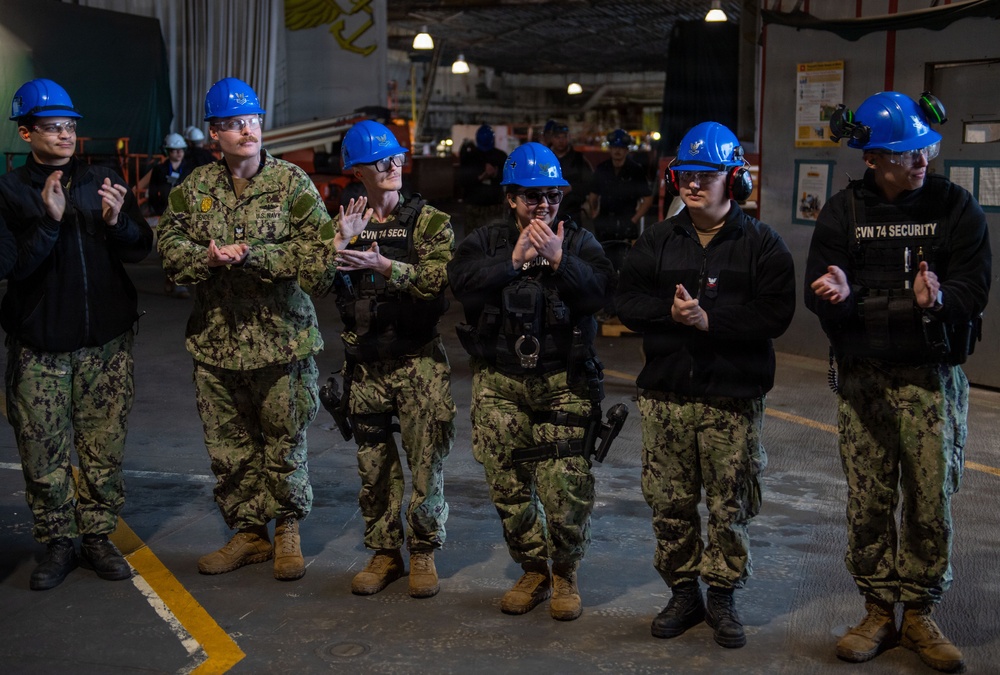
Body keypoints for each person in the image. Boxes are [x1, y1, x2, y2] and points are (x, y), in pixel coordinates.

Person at [806, 91, 990, 673]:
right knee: (869, 499)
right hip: (864, 381)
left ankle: (920, 614)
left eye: (924, 149)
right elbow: (822, 294)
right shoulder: (843, 213)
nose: (921, 161)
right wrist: (836, 297)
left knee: (930, 501)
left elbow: (973, 292)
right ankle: (878, 610)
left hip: (931, 381)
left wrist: (935, 301)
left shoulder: (957, 208)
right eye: (906, 154)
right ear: (872, 159)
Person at [616, 121, 795, 648]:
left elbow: (775, 314)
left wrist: (709, 322)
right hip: (667, 395)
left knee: (729, 503)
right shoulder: (657, 240)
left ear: (734, 178)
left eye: (706, 175)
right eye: (684, 175)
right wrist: (673, 317)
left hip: (731, 400)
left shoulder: (763, 244)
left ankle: (722, 595)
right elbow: (625, 302)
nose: (692, 185)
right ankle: (683, 592)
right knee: (669, 502)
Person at [157, 77, 333, 582]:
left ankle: (287, 531)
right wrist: (205, 259)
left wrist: (257, 256)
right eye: (233, 124)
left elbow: (317, 255)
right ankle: (249, 532)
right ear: (215, 133)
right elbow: (167, 244)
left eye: (252, 121)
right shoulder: (196, 189)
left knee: (284, 440)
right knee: (229, 446)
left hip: (281, 339)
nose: (246, 131)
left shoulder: (292, 184)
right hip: (217, 340)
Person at [447, 142, 615, 621]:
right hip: (501, 382)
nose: (544, 206)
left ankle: (564, 572)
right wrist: (513, 264)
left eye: (553, 197)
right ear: (511, 198)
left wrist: (562, 261)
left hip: (564, 381)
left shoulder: (579, 242)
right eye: (532, 197)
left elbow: (604, 291)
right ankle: (533, 569)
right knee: (507, 482)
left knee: (566, 486)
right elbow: (459, 282)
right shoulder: (486, 242)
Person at [0, 78, 154, 590]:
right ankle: (57, 542)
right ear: (26, 133)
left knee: (102, 447)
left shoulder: (102, 179)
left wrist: (117, 221)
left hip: (105, 345)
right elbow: (10, 269)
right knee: (42, 451)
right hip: (39, 349)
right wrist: (47, 222)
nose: (65, 135)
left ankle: (96, 537)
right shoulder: (9, 191)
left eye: (69, 126)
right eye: (51, 127)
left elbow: (140, 249)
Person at [330, 119, 456, 599]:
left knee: (426, 461)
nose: (393, 166)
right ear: (357, 171)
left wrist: (385, 265)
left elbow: (437, 283)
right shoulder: (345, 222)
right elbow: (312, 283)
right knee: (374, 463)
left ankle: (423, 552)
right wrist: (338, 247)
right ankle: (385, 552)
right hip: (365, 364)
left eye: (397, 158)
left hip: (417, 362)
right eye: (382, 160)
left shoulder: (429, 222)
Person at [586, 128, 653, 249]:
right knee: (603, 261)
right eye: (615, 147)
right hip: (604, 223)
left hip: (626, 223)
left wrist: (634, 220)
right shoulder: (602, 169)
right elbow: (593, 196)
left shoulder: (636, 170)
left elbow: (648, 199)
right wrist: (594, 214)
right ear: (610, 149)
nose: (617, 151)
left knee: (625, 262)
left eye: (621, 148)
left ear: (627, 150)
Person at [148, 132, 194, 299]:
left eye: (180, 150)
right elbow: (153, 193)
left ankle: (181, 284)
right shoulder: (160, 170)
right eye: (174, 150)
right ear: (168, 151)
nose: (178, 153)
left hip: (186, 215)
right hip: (167, 215)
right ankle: (170, 278)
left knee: (185, 250)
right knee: (168, 249)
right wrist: (160, 210)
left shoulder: (190, 169)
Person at [457, 124, 508, 235]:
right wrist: (481, 177)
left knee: (495, 240)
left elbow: (508, 177)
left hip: (494, 206)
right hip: (475, 206)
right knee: (474, 241)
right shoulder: (470, 157)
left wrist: (494, 174)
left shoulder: (500, 156)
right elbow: (462, 180)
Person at [547, 121, 593, 225]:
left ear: (569, 138)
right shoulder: (544, 158)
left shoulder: (578, 159)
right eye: (557, 137)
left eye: (564, 137)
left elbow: (590, 183)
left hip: (572, 214)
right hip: (547, 213)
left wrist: (572, 187)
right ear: (551, 138)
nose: (561, 140)